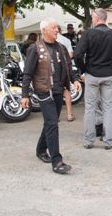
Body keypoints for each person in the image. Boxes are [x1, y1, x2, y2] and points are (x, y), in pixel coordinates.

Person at [20, 19, 79, 174]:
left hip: (59, 90)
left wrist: (75, 80)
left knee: (50, 123)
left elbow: (68, 66)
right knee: (53, 123)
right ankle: (57, 161)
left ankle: (41, 149)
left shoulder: (61, 47)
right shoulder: (35, 48)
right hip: (44, 91)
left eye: (57, 28)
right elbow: (27, 73)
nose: (57, 30)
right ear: (44, 30)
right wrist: (25, 95)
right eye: (53, 28)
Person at [75, 8, 112, 150]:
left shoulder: (88, 34)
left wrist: (83, 69)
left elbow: (78, 54)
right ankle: (109, 141)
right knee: (108, 108)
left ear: (97, 18)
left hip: (92, 74)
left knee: (90, 108)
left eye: (92, 17)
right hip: (108, 74)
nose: (92, 19)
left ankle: (89, 141)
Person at [57, 25, 76, 122]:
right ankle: (69, 114)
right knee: (67, 91)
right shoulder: (66, 40)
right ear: (60, 30)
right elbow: (71, 54)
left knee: (54, 92)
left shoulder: (46, 41)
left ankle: (56, 116)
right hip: (65, 69)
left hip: (53, 70)